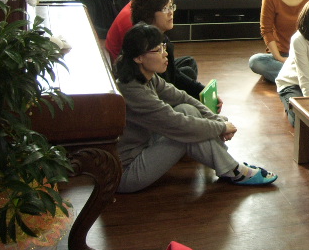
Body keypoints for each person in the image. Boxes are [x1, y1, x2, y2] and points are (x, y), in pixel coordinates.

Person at [114, 23, 277, 192]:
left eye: (163, 46)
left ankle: (230, 165)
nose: (165, 53)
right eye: (158, 50)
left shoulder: (145, 76)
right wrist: (221, 127)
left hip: (145, 145)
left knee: (187, 109)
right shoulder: (133, 90)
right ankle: (234, 170)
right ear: (138, 58)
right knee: (186, 132)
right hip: (127, 171)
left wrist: (216, 119)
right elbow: (179, 124)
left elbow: (182, 97)